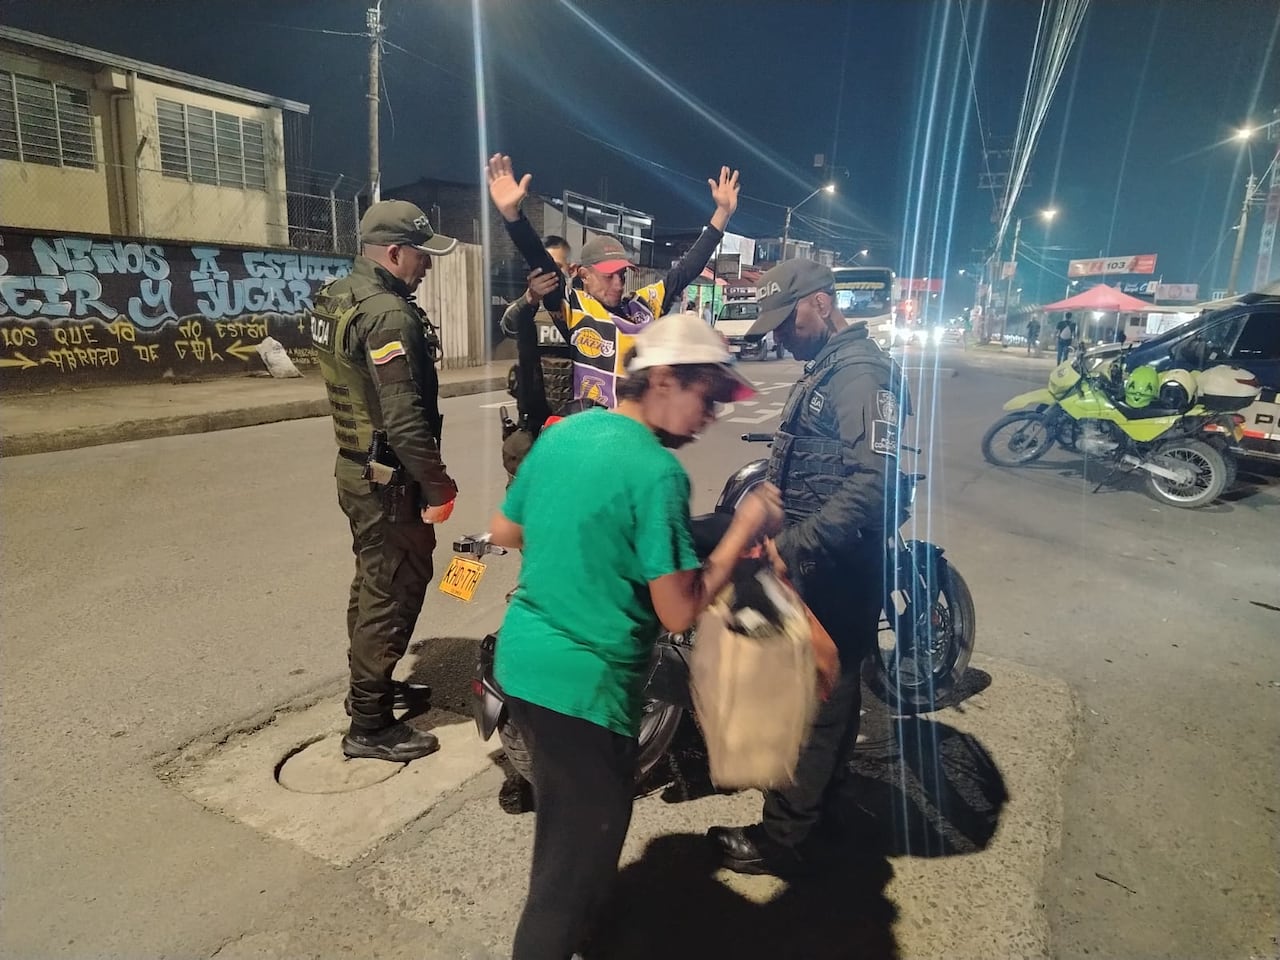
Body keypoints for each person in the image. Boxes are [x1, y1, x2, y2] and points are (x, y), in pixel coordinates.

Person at [487, 312, 781, 959]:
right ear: (666, 380)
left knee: (569, 831)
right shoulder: (656, 473)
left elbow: (507, 532)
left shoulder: (567, 434)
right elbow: (679, 613)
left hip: (524, 666)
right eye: (707, 396)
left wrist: (587, 546)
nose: (709, 417)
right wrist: (738, 536)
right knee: (570, 874)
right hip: (583, 690)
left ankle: (587, 930)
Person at [706, 258, 913, 877]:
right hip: (817, 560)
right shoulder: (826, 365)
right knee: (825, 693)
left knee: (818, 699)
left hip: (836, 567)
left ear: (820, 304)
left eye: (787, 321)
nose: (780, 335)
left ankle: (784, 838)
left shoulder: (861, 375)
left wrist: (791, 545)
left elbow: (874, 483)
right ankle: (819, 808)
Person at [310, 200, 459, 763]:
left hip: (357, 468)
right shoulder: (389, 315)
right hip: (389, 479)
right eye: (422, 254)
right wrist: (439, 487)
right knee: (393, 587)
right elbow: (403, 417)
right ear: (395, 253)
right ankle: (369, 724)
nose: (427, 265)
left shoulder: (337, 295)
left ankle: (369, 692)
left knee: (371, 581)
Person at [487, 153, 740, 409]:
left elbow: (685, 270)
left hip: (636, 431)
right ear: (584, 275)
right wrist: (513, 217)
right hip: (592, 434)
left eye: (621, 275)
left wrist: (722, 214)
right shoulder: (573, 307)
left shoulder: (642, 307)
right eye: (608, 276)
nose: (618, 284)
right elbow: (540, 261)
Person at [499, 235, 575, 480]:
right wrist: (531, 299)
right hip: (533, 427)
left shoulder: (582, 312)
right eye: (543, 269)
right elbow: (507, 326)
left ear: (570, 270)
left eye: (556, 268)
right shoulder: (528, 309)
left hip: (570, 426)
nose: (549, 276)